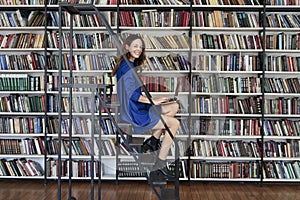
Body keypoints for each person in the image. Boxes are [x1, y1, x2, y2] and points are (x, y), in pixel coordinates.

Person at [112, 34, 180, 179]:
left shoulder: (129, 64)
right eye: (135, 46)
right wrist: (153, 101)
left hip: (137, 108)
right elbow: (132, 95)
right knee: (174, 124)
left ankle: (152, 142)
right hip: (134, 112)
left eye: (140, 47)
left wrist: (153, 99)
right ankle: (160, 164)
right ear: (127, 47)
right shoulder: (127, 67)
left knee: (173, 106)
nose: (138, 49)